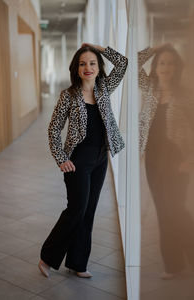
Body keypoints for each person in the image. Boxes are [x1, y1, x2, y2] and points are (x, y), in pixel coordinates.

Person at [38, 43, 128, 278]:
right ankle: (47, 257)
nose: (87, 67)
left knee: (89, 211)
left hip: (100, 158)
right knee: (76, 210)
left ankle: (78, 263)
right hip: (78, 160)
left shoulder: (104, 88)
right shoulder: (69, 95)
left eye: (92, 63)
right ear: (76, 69)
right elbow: (53, 130)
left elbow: (123, 63)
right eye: (82, 63)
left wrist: (98, 47)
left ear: (98, 68)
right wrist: (61, 158)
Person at [139, 44, 194, 279]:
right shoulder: (150, 89)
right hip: (153, 160)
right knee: (163, 211)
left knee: (178, 211)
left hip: (177, 161)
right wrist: (156, 48)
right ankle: (174, 265)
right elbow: (132, 63)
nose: (166, 67)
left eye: (170, 63)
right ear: (156, 67)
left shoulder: (186, 96)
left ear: (177, 67)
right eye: (162, 63)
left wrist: (192, 158)